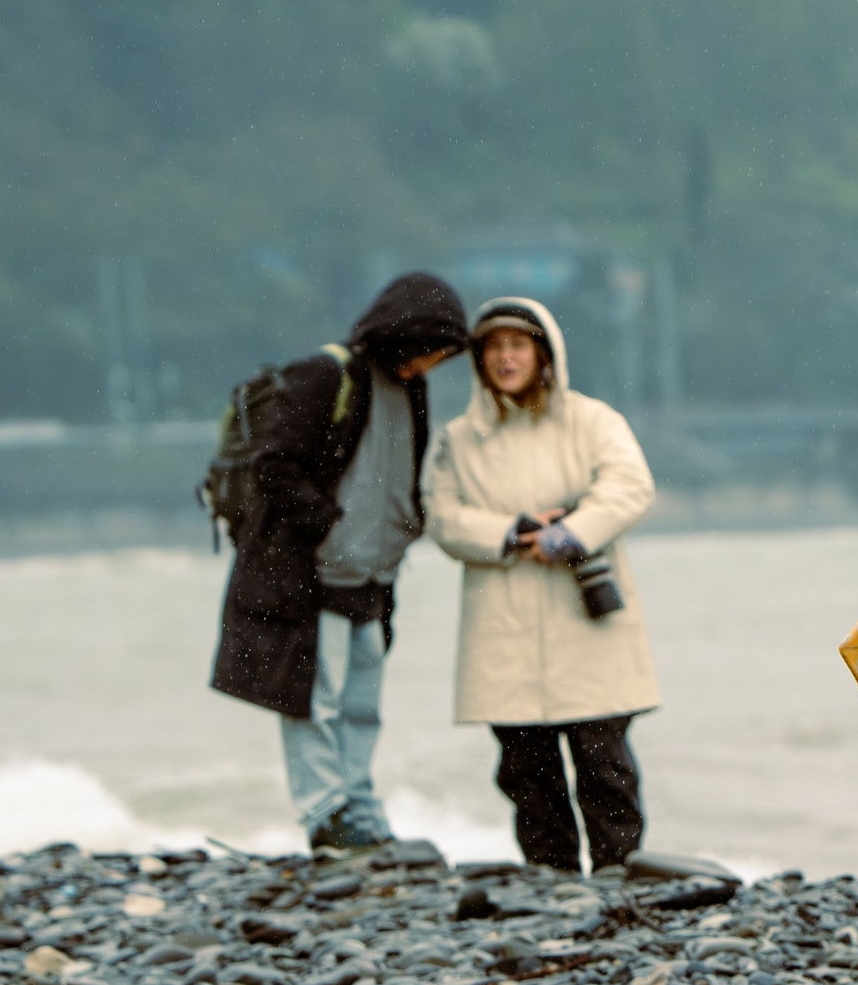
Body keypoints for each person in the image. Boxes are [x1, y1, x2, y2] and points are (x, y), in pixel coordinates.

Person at [211, 272, 469, 852]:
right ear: (401, 334)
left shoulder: (411, 388)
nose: (430, 364)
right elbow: (274, 466)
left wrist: (395, 537)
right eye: (428, 350)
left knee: (361, 703)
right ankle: (326, 815)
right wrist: (331, 530)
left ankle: (359, 806)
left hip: (373, 575)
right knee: (314, 698)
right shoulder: (327, 375)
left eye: (441, 357)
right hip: (317, 575)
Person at [424, 296, 661, 874]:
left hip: (585, 617)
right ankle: (551, 877)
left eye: (517, 345)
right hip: (504, 623)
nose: (506, 358)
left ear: (543, 352)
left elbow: (630, 486)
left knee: (604, 760)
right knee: (525, 768)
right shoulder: (459, 438)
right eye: (493, 348)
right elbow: (442, 515)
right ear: (479, 360)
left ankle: (619, 872)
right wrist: (510, 531)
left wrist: (571, 533)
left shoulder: (592, 420)